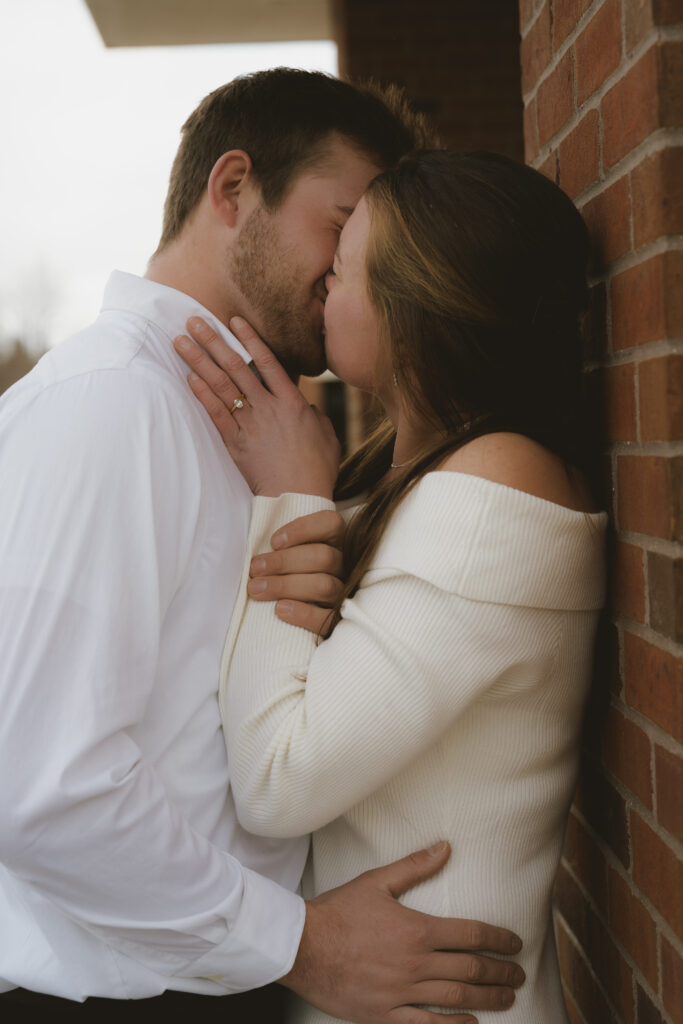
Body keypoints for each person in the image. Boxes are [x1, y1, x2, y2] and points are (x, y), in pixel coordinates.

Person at [0, 73, 524, 1022]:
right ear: (233, 188)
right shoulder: (113, 404)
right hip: (124, 997)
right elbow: (37, 779)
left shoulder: (248, 424)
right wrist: (302, 944)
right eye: (339, 225)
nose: (349, 272)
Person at [175, 150, 608, 1024]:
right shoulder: (401, 472)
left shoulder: (497, 494)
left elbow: (276, 779)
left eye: (344, 268)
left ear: (419, 304)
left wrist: (288, 498)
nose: (322, 285)